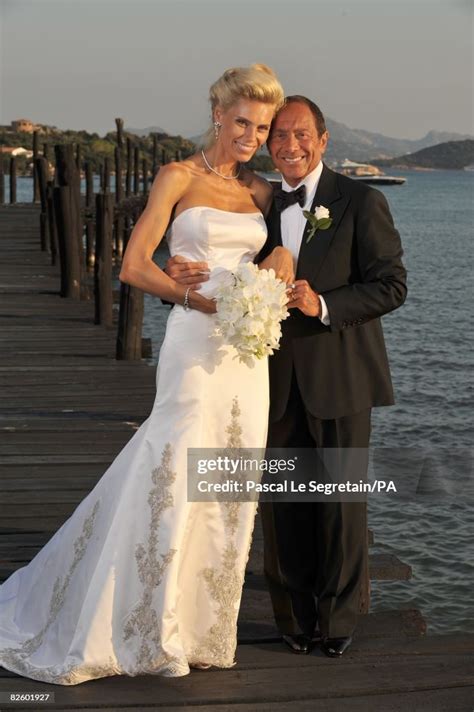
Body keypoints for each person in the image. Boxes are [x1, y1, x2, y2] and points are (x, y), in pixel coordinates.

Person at [0, 64, 286, 685]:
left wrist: (283, 258)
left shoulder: (264, 192)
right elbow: (134, 266)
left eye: (261, 127)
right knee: (174, 465)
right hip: (194, 341)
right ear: (217, 114)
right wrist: (193, 296)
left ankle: (205, 628)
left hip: (247, 352)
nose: (252, 136)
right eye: (243, 121)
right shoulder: (175, 177)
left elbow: (291, 245)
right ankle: (150, 629)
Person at [168, 95, 407, 659]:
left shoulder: (360, 201)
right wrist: (172, 264)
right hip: (265, 375)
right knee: (282, 505)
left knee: (341, 504)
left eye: (302, 135)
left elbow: (392, 285)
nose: (290, 145)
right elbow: (214, 253)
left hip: (341, 376)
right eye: (280, 136)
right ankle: (293, 620)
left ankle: (338, 621)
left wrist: (322, 304)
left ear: (324, 141)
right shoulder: (263, 204)